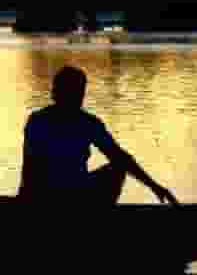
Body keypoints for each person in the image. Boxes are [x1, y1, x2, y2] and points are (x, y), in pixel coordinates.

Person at [19, 65, 178, 207]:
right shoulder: (42, 121)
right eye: (75, 92)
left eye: (80, 92)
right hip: (52, 196)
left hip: (70, 194)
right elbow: (30, 168)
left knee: (118, 166)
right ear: (59, 93)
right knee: (118, 166)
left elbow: (120, 157)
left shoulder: (82, 122)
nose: (80, 97)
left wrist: (154, 186)